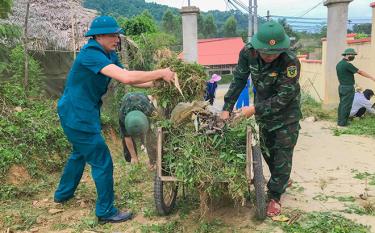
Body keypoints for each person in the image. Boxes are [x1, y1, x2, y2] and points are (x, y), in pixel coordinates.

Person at [54, 16, 176, 224]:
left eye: (117, 35)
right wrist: (161, 72)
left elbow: (128, 76)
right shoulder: (90, 54)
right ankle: (105, 211)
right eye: (112, 35)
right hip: (76, 113)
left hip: (87, 111)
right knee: (102, 160)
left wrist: (158, 84)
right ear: (98, 36)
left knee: (79, 153)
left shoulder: (108, 54)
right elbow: (127, 78)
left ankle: (62, 195)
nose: (117, 39)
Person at [220, 21, 301, 217]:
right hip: (264, 113)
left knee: (282, 154)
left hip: (286, 114)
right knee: (267, 150)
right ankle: (281, 179)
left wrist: (254, 109)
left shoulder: (290, 61)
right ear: (257, 47)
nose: (270, 57)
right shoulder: (248, 52)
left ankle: (274, 196)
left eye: (274, 53)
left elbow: (284, 97)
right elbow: (239, 79)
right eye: (266, 53)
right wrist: (227, 108)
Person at [336, 48, 375, 126]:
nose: (354, 56)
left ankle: (340, 121)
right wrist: (371, 77)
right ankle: (343, 123)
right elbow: (359, 72)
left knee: (342, 104)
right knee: (346, 105)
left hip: (341, 86)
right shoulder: (347, 64)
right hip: (348, 87)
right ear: (347, 55)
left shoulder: (339, 64)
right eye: (353, 55)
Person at [119, 92, 157, 170]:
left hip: (142, 99)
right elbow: (127, 137)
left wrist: (155, 158)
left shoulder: (149, 110)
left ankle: (153, 161)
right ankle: (132, 160)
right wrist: (134, 157)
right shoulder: (123, 116)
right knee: (124, 135)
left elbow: (156, 128)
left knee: (151, 133)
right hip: (126, 100)